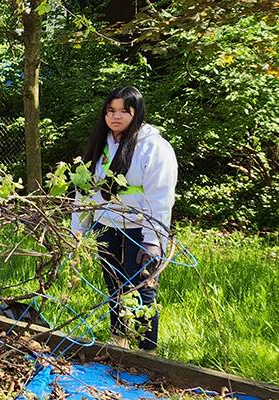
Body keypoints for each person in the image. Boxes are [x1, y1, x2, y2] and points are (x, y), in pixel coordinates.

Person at [70, 86, 177, 353]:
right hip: (105, 227)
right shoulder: (100, 144)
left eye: (123, 112)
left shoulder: (154, 148)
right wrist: (78, 229)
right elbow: (85, 189)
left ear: (136, 113)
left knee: (141, 290)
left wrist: (153, 242)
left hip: (139, 232)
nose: (115, 117)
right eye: (110, 111)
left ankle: (147, 354)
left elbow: (160, 198)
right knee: (114, 287)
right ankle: (119, 346)